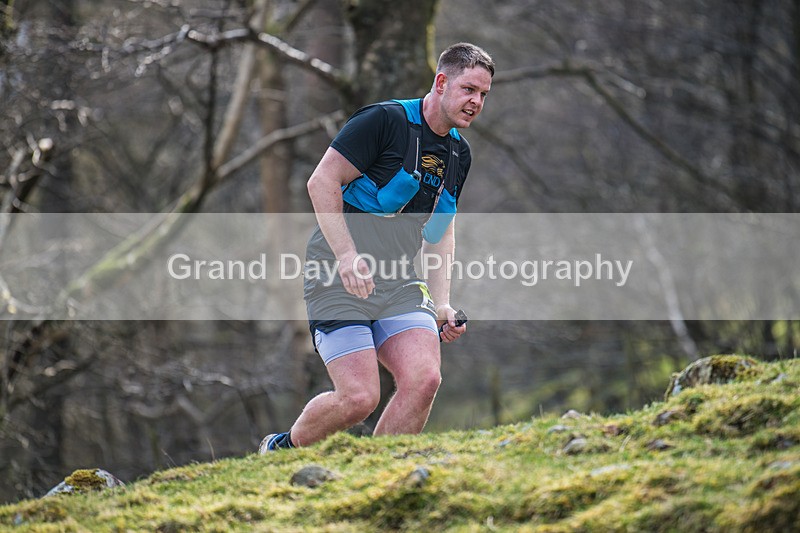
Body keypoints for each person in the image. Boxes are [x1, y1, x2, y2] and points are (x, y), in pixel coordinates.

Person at [260, 43, 494, 452]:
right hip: (336, 274)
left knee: (424, 380)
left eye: (483, 95)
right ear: (441, 82)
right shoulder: (384, 121)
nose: (476, 102)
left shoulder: (459, 152)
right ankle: (280, 449)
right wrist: (347, 256)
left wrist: (442, 304)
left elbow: (441, 231)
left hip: (399, 282)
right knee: (359, 398)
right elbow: (321, 182)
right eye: (469, 89)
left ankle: (375, 476)